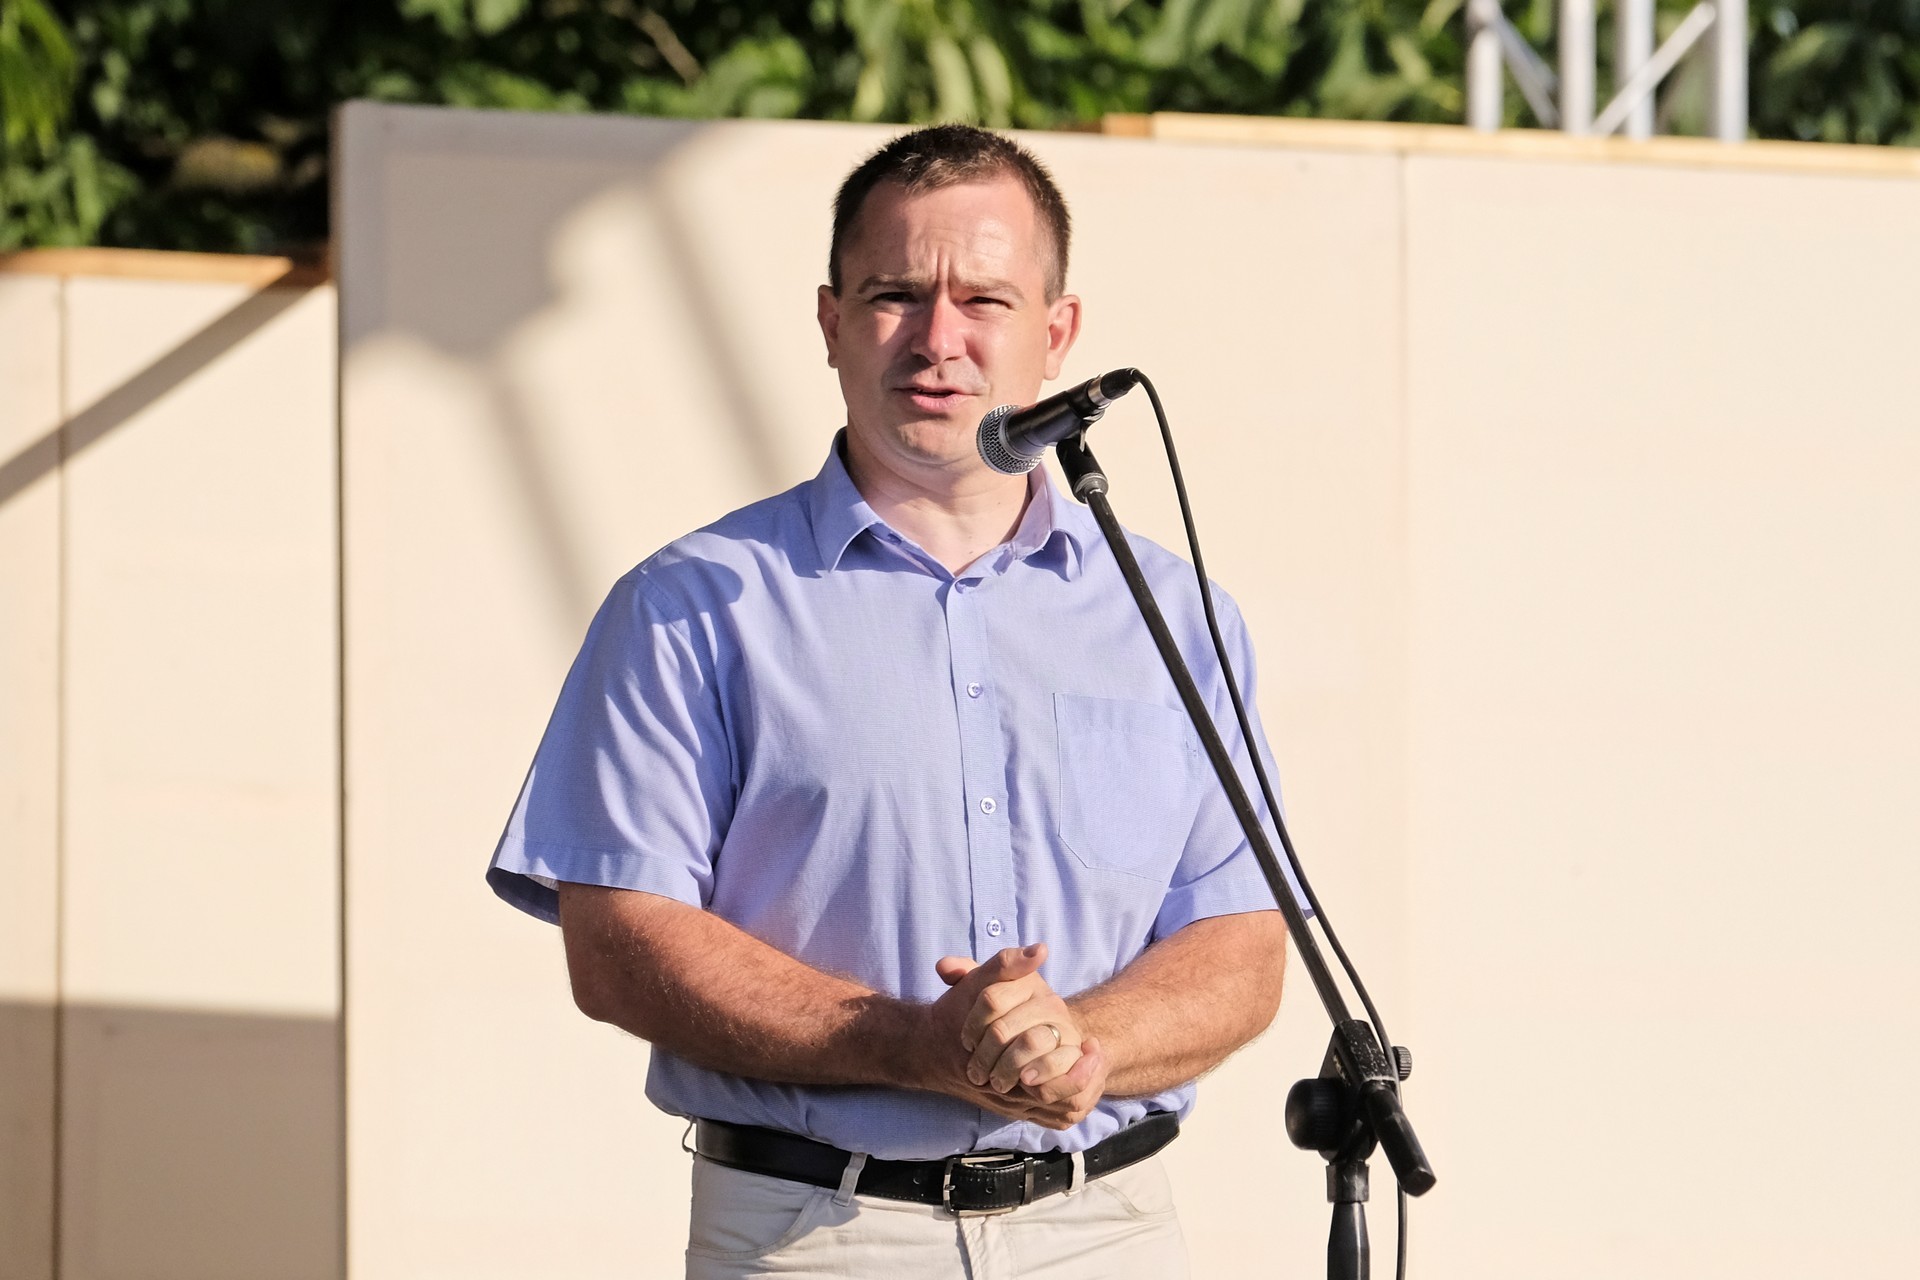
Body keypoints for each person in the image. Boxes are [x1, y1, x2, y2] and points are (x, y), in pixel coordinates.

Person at [487, 123, 1291, 1279]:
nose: (938, 338)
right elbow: (617, 943)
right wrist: (910, 1042)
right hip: (816, 1234)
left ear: (1059, 333)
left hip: (1108, 1231)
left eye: (986, 300)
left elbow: (1242, 940)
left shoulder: (1171, 612)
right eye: (894, 295)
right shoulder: (689, 605)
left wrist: (1077, 1043)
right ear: (830, 323)